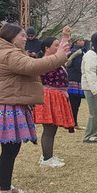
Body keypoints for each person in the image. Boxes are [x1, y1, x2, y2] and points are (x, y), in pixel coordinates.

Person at [0, 23, 70, 193]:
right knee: (9, 150)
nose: (25, 38)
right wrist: (60, 56)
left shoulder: (7, 51)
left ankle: (6, 187)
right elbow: (32, 66)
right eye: (22, 35)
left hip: (11, 102)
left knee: (12, 148)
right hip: (6, 104)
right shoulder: (8, 54)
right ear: (11, 37)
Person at [33, 32, 76, 168]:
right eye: (55, 46)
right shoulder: (48, 61)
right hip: (49, 96)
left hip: (55, 95)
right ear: (47, 48)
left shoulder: (52, 60)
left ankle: (47, 155)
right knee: (49, 129)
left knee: (52, 129)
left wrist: (65, 39)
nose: (59, 48)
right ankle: (47, 158)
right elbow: (62, 55)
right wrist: (64, 39)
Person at [65, 34, 86, 133]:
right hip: (76, 79)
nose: (83, 42)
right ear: (76, 42)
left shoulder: (70, 52)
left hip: (70, 78)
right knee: (75, 103)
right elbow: (79, 66)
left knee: (71, 103)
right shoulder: (79, 52)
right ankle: (72, 123)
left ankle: (72, 122)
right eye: (81, 40)